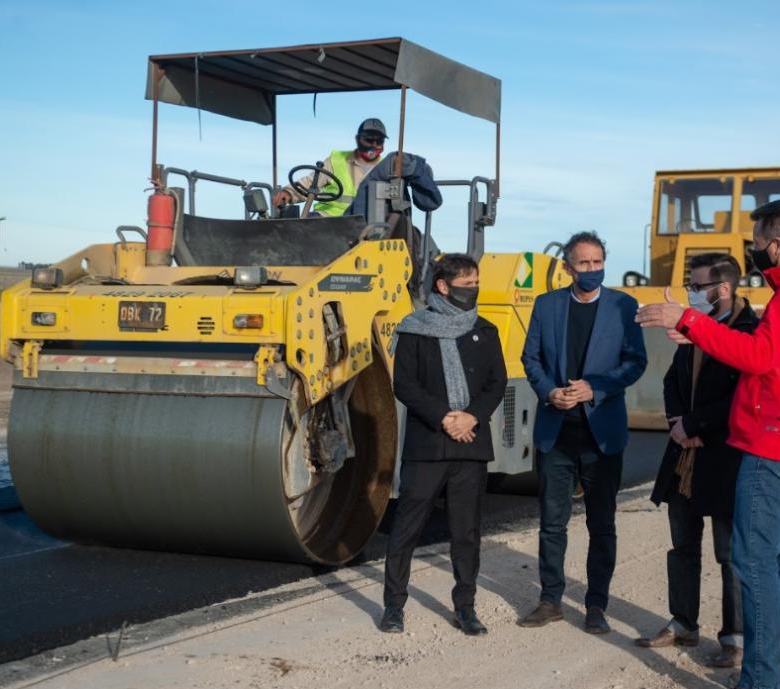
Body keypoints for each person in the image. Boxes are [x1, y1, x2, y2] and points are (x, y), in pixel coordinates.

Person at [636, 199, 780, 689]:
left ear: (776, 245)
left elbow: (760, 355)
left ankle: (761, 683)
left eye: (756, 244)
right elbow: (773, 350)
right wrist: (699, 331)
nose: (754, 252)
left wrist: (690, 321)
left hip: (775, 442)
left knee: (753, 560)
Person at [518, 231, 648, 634]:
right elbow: (530, 357)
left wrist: (596, 388)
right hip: (556, 432)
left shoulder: (623, 306)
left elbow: (635, 362)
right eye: (584, 263)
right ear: (568, 267)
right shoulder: (547, 305)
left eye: (597, 262)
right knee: (552, 522)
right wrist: (549, 391)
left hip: (601, 434)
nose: (592, 269)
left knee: (601, 524)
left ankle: (596, 605)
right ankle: (550, 600)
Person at [635, 253, 758, 669]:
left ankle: (735, 637)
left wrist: (695, 423)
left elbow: (741, 394)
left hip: (725, 455)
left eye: (697, 285)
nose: (691, 293)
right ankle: (683, 622)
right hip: (684, 452)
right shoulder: (694, 328)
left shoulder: (748, 331)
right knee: (682, 545)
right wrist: (677, 422)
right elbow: (673, 379)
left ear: (723, 288)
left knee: (730, 553)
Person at [380, 254, 507, 636]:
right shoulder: (414, 329)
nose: (473, 290)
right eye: (467, 284)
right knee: (406, 529)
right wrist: (446, 418)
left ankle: (465, 607)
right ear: (442, 285)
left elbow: (496, 383)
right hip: (428, 446)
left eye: (476, 283)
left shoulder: (485, 330)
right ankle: (393, 607)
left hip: (470, 446)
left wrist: (471, 417)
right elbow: (404, 385)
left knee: (466, 533)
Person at [272, 118, 388, 216]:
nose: (374, 145)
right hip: (328, 217)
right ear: (357, 139)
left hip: (366, 221)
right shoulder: (336, 160)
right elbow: (311, 182)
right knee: (305, 226)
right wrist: (288, 193)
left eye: (379, 141)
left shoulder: (386, 168)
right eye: (369, 140)